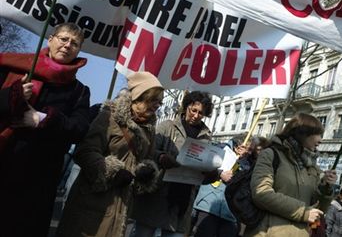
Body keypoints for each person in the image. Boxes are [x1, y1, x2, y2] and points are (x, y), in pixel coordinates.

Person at [0, 22, 90, 237]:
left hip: (37, 183)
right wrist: (12, 95)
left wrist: (42, 119)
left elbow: (79, 129)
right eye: (63, 39)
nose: (68, 45)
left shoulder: (79, 91)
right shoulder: (14, 67)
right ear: (50, 39)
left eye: (74, 43)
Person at [56, 71, 164, 237]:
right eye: (153, 100)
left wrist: (146, 172)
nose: (157, 106)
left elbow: (146, 159)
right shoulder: (109, 117)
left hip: (123, 204)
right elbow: (85, 151)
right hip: (93, 201)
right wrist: (111, 171)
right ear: (139, 97)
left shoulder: (149, 129)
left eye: (159, 102)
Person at [130, 91, 214, 237]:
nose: (196, 115)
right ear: (186, 106)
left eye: (201, 113)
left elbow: (204, 176)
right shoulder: (167, 126)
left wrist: (211, 173)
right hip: (157, 196)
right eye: (193, 110)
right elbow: (148, 151)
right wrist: (161, 157)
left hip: (182, 203)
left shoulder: (206, 136)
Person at [245, 113, 337, 237]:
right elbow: (261, 193)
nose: (320, 140)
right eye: (317, 134)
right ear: (303, 133)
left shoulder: (314, 168)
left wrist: (326, 188)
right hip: (267, 232)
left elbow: (318, 210)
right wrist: (302, 212)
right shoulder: (271, 155)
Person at [192, 134, 254, 237]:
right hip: (208, 204)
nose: (250, 152)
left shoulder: (246, 161)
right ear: (238, 147)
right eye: (248, 149)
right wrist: (220, 173)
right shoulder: (219, 149)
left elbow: (246, 178)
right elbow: (205, 166)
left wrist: (242, 160)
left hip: (230, 211)